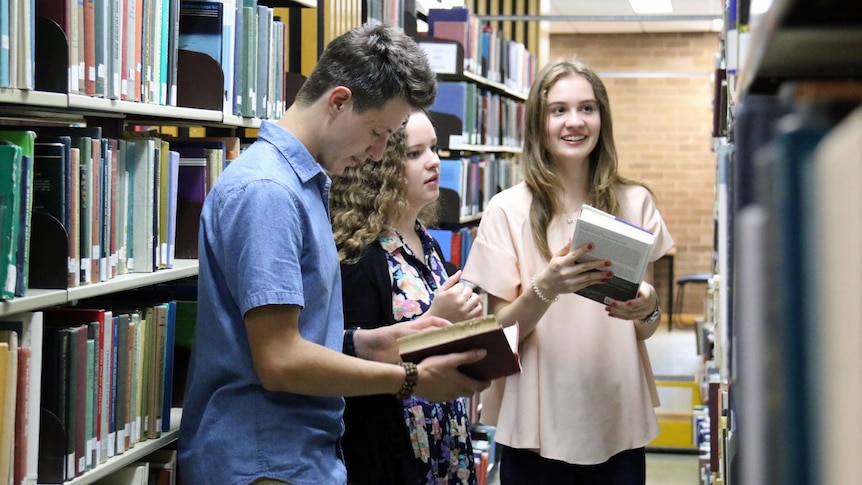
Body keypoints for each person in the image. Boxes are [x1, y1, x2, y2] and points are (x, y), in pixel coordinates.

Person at [177, 24, 491, 485]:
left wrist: (384, 341)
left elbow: (299, 334)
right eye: (378, 131)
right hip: (265, 463)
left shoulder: (303, 186)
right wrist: (408, 379)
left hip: (297, 455)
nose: (379, 151)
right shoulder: (269, 194)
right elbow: (280, 360)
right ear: (339, 101)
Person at [461, 58, 674, 484]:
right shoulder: (507, 209)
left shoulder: (635, 202)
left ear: (602, 118)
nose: (574, 122)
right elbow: (500, 332)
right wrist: (547, 287)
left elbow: (646, 328)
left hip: (616, 410)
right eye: (559, 110)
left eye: (586, 108)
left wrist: (647, 306)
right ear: (539, 122)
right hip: (537, 419)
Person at [330, 109, 484, 485]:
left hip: (442, 441)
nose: (434, 162)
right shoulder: (361, 257)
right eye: (415, 154)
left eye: (433, 148)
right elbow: (350, 364)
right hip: (395, 451)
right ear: (378, 167)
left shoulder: (428, 243)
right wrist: (436, 318)